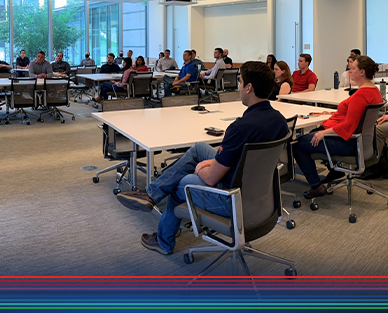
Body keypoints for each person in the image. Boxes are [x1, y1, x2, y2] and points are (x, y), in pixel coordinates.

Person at [115, 61, 288, 255]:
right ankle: (151, 193)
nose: (239, 87)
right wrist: (212, 162)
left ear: (249, 88)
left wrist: (202, 168)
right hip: (260, 193)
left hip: (232, 197)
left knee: (183, 182)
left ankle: (164, 241)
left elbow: (211, 178)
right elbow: (245, 159)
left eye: (240, 83)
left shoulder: (240, 128)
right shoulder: (279, 121)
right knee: (199, 149)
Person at [292, 56, 383, 199]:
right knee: (312, 135)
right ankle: (333, 169)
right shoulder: (374, 91)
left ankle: (316, 187)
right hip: (362, 143)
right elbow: (355, 117)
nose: (350, 70)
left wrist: (323, 133)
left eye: (353, 68)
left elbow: (348, 126)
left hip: (349, 143)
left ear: (362, 72)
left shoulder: (361, 95)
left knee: (297, 144)